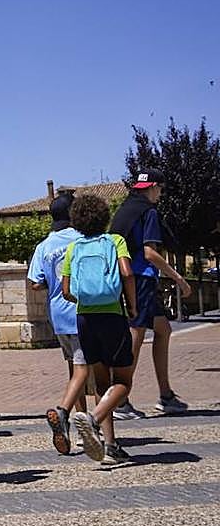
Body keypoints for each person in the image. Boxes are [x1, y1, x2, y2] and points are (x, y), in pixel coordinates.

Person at [109, 169, 193, 419]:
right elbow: (150, 253)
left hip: (126, 278)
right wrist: (179, 279)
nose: (161, 194)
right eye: (160, 189)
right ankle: (121, 399)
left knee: (163, 330)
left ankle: (165, 395)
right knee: (136, 334)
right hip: (142, 279)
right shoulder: (149, 212)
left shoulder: (125, 210)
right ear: (153, 187)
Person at [62, 193, 139, 464]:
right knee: (123, 382)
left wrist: (85, 298)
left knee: (101, 381)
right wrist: (132, 306)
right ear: (104, 217)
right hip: (112, 316)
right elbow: (127, 273)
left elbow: (66, 289)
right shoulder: (115, 241)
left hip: (84, 319)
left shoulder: (74, 248)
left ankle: (110, 446)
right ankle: (93, 421)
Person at [30, 193, 87, 454]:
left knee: (74, 370)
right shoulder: (83, 238)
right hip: (84, 310)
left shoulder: (44, 246)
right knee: (91, 371)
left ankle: (82, 422)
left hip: (58, 315)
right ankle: (85, 424)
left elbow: (35, 282)